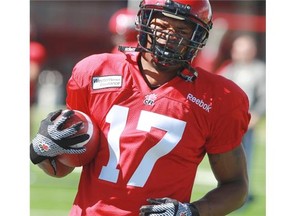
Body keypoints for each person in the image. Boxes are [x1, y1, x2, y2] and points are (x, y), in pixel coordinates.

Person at [30, 0, 251, 215]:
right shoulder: (95, 71)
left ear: (198, 36)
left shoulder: (218, 98)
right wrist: (43, 150)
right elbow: (66, 165)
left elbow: (235, 186)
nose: (168, 36)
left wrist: (191, 212)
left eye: (182, 30)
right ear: (144, 21)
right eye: (162, 25)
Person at [216, 33, 266, 203]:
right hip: (228, 123)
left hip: (248, 122)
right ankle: (225, 192)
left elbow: (265, 95)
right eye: (237, 50)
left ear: (252, 51)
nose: (239, 53)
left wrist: (258, 113)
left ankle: (242, 192)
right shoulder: (229, 69)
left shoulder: (260, 71)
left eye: (243, 50)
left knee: (245, 157)